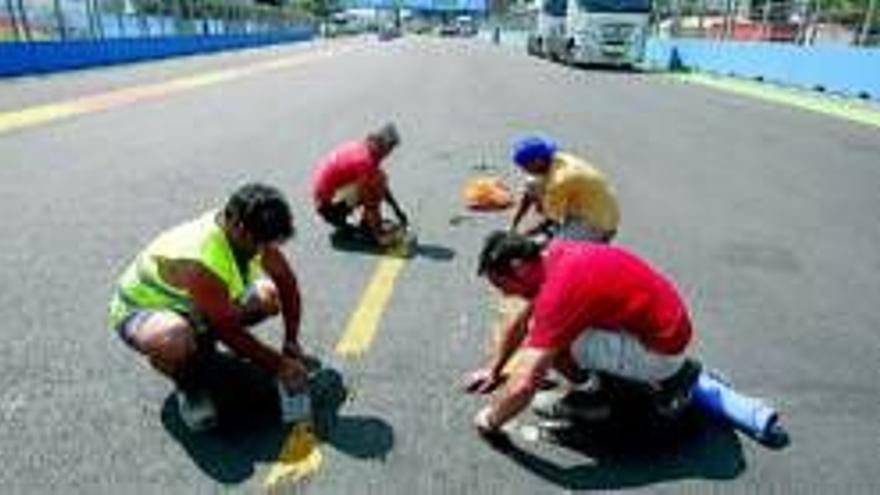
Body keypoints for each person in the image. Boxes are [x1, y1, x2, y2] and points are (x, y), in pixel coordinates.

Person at [108, 183, 308, 432]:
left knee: (269, 296)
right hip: (144, 310)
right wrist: (279, 366)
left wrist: (291, 341)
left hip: (197, 304)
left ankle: (201, 346)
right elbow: (228, 330)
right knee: (174, 340)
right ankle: (187, 386)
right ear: (239, 228)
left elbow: (286, 283)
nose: (266, 251)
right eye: (262, 244)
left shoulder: (248, 229)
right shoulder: (201, 257)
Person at [464, 231, 701, 439]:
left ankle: (596, 398)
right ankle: (603, 384)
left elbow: (526, 383)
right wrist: (494, 370)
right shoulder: (554, 255)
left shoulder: (558, 293)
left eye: (501, 285)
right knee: (543, 326)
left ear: (519, 268)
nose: (504, 294)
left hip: (661, 354)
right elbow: (520, 321)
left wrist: (491, 420)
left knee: (550, 338)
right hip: (663, 331)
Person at [312, 123, 409, 247]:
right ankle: (368, 230)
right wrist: (378, 235)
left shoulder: (364, 147)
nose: (388, 155)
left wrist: (397, 209)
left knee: (379, 178)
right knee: (373, 186)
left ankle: (367, 225)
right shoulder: (365, 161)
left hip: (328, 196)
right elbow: (370, 201)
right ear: (381, 145)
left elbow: (382, 186)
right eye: (389, 149)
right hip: (328, 207)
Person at [508, 136, 620, 243]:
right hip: (585, 204)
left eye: (525, 166)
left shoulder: (559, 181)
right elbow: (529, 192)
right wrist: (513, 225)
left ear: (537, 161)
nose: (523, 170)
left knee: (554, 252)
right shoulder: (554, 158)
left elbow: (549, 220)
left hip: (596, 222)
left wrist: (520, 236)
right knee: (532, 183)